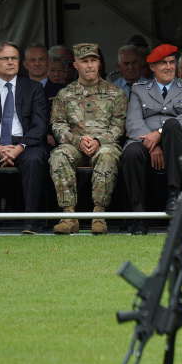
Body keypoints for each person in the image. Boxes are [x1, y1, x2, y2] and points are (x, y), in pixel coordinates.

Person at [0, 41, 49, 235]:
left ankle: (31, 220)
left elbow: (40, 125)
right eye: (5, 58)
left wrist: (21, 145)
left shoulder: (34, 88)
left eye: (14, 58)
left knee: (35, 159)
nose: (11, 62)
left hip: (26, 144)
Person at [49, 43, 127, 234]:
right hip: (74, 145)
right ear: (75, 65)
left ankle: (99, 215)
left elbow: (119, 126)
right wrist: (77, 141)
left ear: (99, 63)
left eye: (93, 60)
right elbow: (58, 125)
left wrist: (99, 141)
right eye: (85, 61)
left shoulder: (115, 93)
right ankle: (69, 217)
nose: (90, 65)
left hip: (105, 144)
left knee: (107, 155)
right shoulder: (65, 94)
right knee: (58, 155)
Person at [121, 44, 182, 234]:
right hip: (144, 141)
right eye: (163, 63)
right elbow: (133, 122)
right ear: (152, 67)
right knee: (131, 153)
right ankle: (138, 214)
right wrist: (153, 144)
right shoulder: (139, 90)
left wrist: (160, 134)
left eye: (172, 62)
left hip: (177, 143)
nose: (169, 67)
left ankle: (174, 195)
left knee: (173, 125)